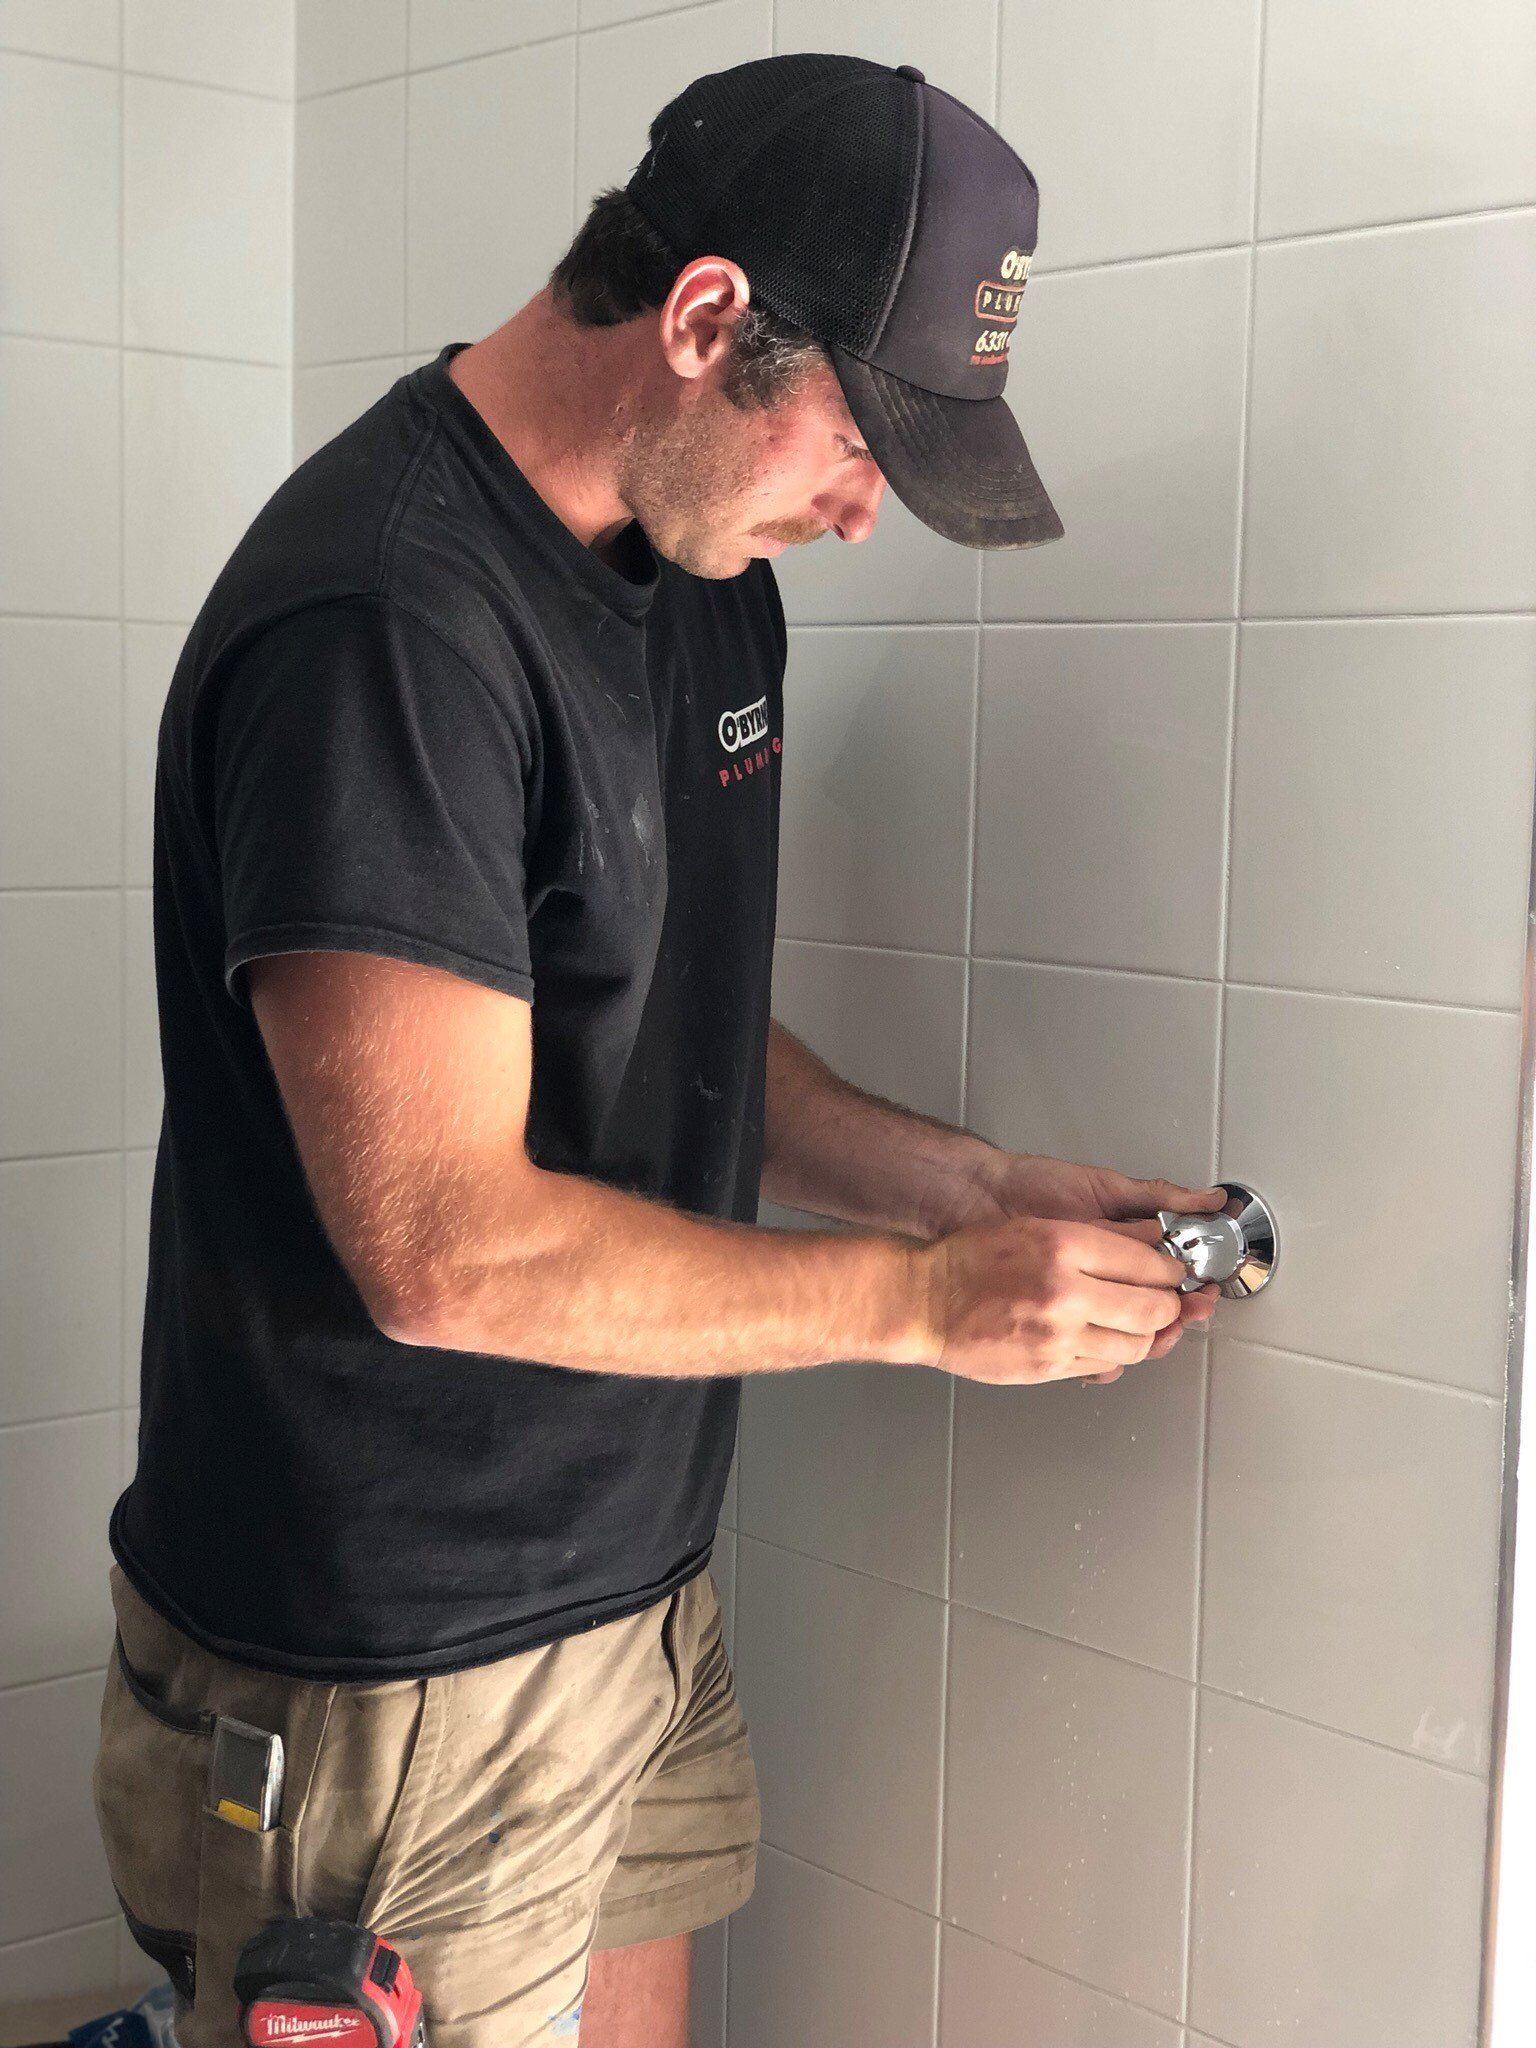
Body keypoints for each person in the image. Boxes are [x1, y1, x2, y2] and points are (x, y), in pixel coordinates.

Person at [92, 52, 1223, 2048]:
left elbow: (663, 1027)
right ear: (704, 319)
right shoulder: (384, 625)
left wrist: (972, 1191)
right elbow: (442, 1245)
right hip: (385, 1663)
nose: (860, 517)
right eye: (859, 442)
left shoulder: (707, 588)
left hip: (633, 1585)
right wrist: (928, 1301)